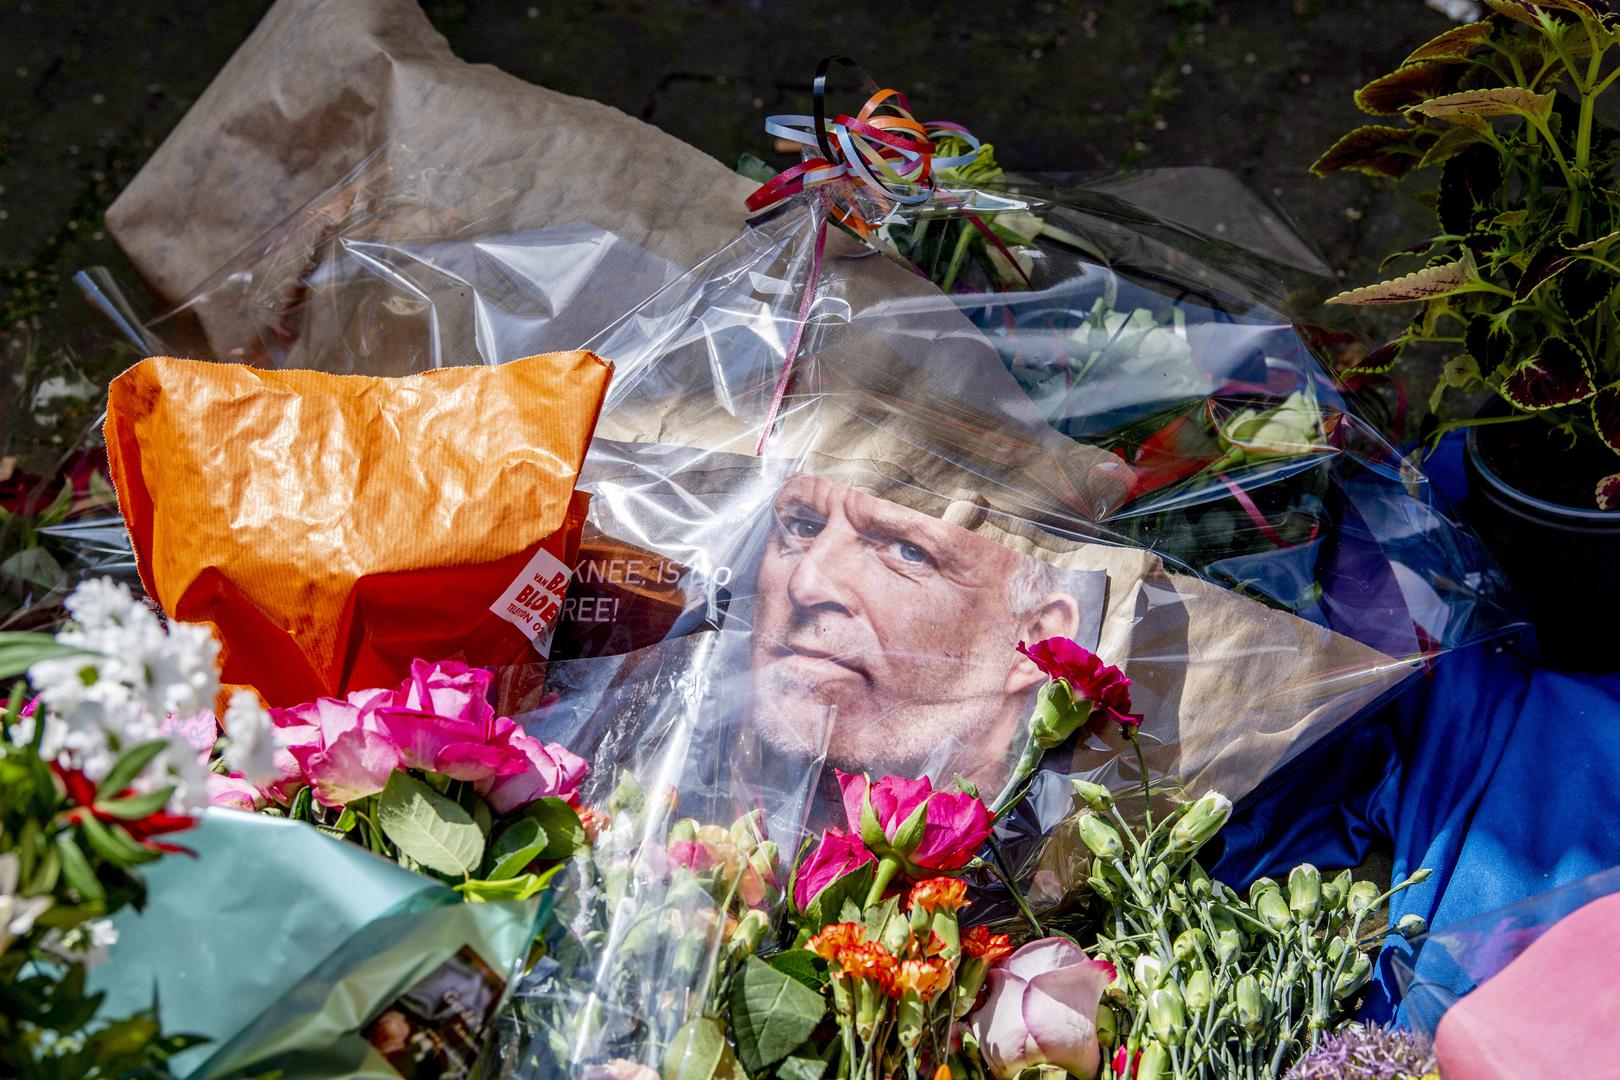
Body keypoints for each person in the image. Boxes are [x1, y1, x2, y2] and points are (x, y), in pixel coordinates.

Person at [746, 474, 1090, 795]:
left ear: (1036, 642)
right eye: (804, 526)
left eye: (908, 551)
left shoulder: (1064, 849)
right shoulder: (704, 795)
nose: (804, 586)